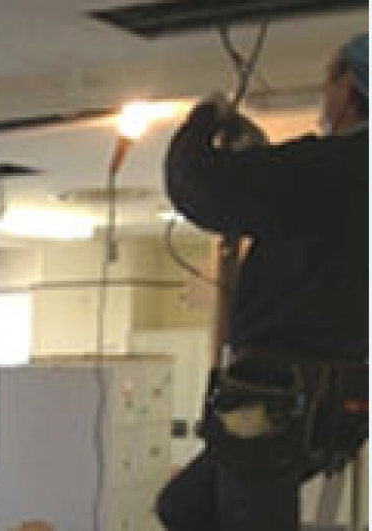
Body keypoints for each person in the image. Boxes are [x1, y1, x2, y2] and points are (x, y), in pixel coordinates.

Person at [155, 33, 368, 531]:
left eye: (328, 84)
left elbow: (200, 186)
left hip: (274, 396)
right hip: (334, 402)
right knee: (184, 507)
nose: (325, 96)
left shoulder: (333, 167)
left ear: (347, 87)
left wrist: (202, 120)